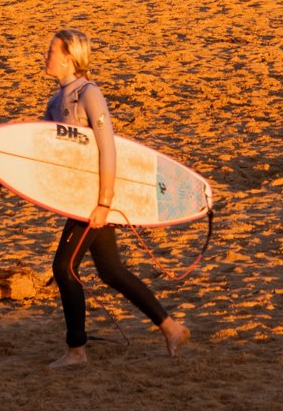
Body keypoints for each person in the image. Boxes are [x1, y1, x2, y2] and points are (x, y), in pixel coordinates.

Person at [41, 27, 188, 368]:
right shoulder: (55, 103)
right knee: (111, 271)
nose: (45, 56)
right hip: (78, 197)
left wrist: (104, 202)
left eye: (51, 51)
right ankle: (172, 328)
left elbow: (108, 148)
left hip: (93, 198)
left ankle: (77, 350)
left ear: (68, 58)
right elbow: (37, 152)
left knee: (64, 269)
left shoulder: (89, 94)